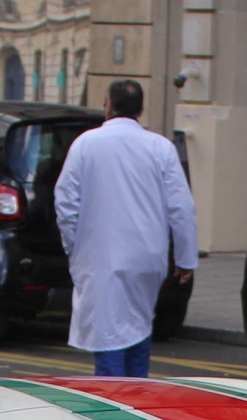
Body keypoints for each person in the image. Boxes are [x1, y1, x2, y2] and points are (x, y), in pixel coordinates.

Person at [53, 80, 198, 379]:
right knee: (138, 327)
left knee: (108, 338)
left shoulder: (85, 144)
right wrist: (185, 258)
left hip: (101, 257)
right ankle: (136, 396)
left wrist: (74, 247)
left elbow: (65, 203)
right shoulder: (161, 148)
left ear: (108, 104)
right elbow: (181, 208)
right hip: (148, 258)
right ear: (141, 109)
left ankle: (116, 409)